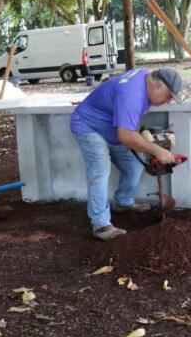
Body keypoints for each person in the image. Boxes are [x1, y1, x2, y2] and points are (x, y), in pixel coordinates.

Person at [70, 68, 182, 240]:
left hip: (112, 128)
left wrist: (147, 144)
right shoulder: (132, 94)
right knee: (100, 170)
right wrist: (157, 150)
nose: (168, 101)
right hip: (88, 125)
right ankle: (101, 225)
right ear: (158, 87)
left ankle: (123, 201)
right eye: (168, 96)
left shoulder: (146, 77)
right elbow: (126, 135)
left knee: (133, 164)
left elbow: (128, 126)